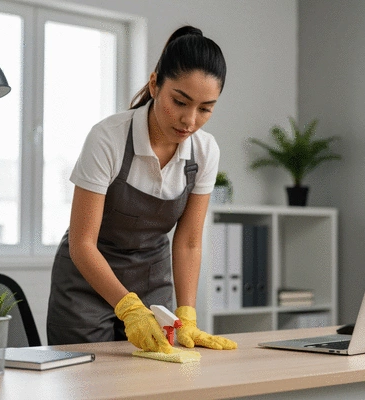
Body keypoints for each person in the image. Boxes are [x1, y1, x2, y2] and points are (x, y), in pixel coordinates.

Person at [47, 25, 237, 353]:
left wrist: (187, 315)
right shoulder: (108, 138)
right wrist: (128, 308)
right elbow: (82, 243)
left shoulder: (205, 151)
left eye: (205, 109)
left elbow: (189, 242)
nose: (190, 120)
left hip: (152, 281)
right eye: (180, 101)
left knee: (153, 380)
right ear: (154, 85)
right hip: (85, 284)